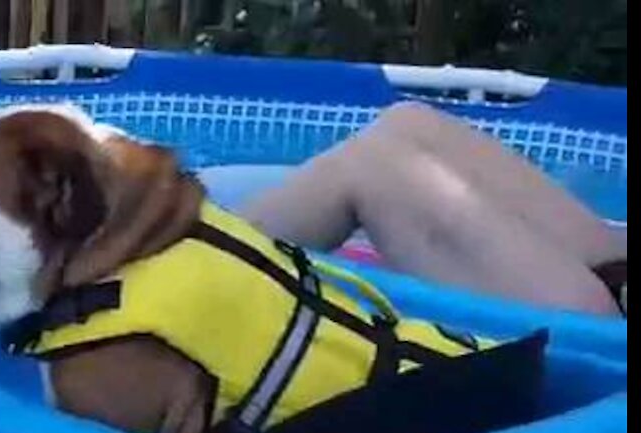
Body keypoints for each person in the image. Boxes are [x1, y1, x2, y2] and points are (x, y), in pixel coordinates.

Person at [239, 102, 627, 317]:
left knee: (376, 168)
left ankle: (202, 260)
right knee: (409, 122)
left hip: (611, 338)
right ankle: (208, 246)